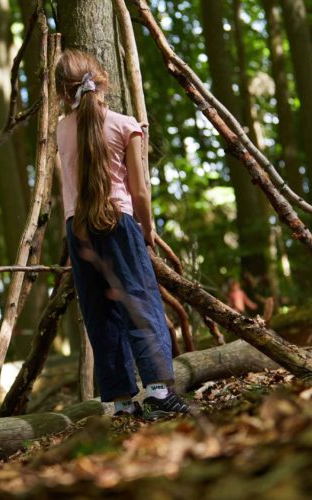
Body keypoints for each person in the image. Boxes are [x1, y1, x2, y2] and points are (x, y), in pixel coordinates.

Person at [55, 49, 190, 418]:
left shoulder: (61, 131)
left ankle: (121, 402)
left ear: (63, 93)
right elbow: (140, 192)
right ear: (102, 81)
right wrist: (147, 230)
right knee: (140, 303)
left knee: (100, 313)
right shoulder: (124, 125)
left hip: (77, 228)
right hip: (118, 222)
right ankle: (159, 393)